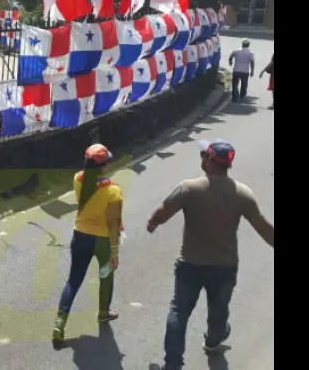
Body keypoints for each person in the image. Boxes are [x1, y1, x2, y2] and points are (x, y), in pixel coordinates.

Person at [147, 139, 274, 370]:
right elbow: (264, 227)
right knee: (219, 310)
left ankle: (173, 364)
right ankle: (214, 341)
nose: (202, 158)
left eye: (204, 155)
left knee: (179, 311)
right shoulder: (242, 193)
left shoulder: (189, 188)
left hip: (190, 264)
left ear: (210, 160)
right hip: (224, 267)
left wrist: (153, 222)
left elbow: (163, 211)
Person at [52, 144, 123, 342]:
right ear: (103, 165)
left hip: (80, 236)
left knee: (73, 281)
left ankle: (60, 322)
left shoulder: (78, 179)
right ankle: (103, 312)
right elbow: (114, 224)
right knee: (106, 277)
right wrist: (115, 252)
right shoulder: (113, 191)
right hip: (103, 243)